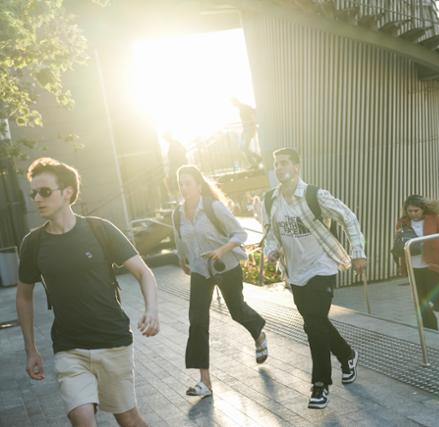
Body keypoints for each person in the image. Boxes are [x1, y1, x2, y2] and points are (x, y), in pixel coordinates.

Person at [16, 157, 160, 427]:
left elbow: (144, 272)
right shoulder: (33, 243)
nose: (37, 198)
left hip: (112, 340)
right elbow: (23, 296)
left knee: (127, 418)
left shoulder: (99, 229)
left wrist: (151, 310)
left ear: (67, 192)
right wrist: (30, 350)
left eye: (44, 191)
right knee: (82, 419)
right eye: (33, 192)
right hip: (69, 348)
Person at [262, 147, 366, 409]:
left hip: (322, 267)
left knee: (314, 325)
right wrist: (271, 250)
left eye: (284, 163)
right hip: (296, 273)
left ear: (297, 167)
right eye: (276, 164)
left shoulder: (314, 195)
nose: (279, 168)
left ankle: (320, 385)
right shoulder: (270, 200)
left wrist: (358, 252)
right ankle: (347, 355)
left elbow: (349, 218)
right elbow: (271, 232)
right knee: (315, 323)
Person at [173, 165, 267, 398]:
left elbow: (240, 234)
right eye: (180, 184)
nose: (184, 188)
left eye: (188, 183)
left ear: (198, 185)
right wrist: (183, 259)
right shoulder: (178, 213)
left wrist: (221, 249)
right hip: (200, 271)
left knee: (237, 310)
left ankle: (259, 334)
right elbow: (180, 240)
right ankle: (205, 381)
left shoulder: (213, 207)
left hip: (226, 266)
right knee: (197, 322)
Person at [395, 195, 439, 330]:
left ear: (423, 209)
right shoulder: (403, 223)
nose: (413, 214)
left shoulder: (434, 219)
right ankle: (431, 330)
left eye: (416, 211)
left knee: (435, 295)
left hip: (433, 265)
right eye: (410, 211)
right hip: (414, 266)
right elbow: (399, 241)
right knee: (420, 302)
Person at [231, 98, 262, 169]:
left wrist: (253, 125)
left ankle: (255, 162)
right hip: (246, 129)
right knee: (242, 147)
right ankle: (257, 159)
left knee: (244, 147)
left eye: (232, 103)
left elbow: (252, 115)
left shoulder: (245, 107)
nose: (232, 105)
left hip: (250, 128)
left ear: (235, 102)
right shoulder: (241, 108)